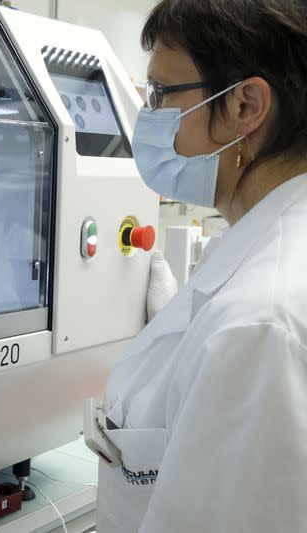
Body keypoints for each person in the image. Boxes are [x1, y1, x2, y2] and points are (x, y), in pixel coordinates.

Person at [95, 1, 307, 532]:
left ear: (245, 106)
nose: (148, 116)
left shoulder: (258, 323)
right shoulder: (258, 258)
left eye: (161, 94)